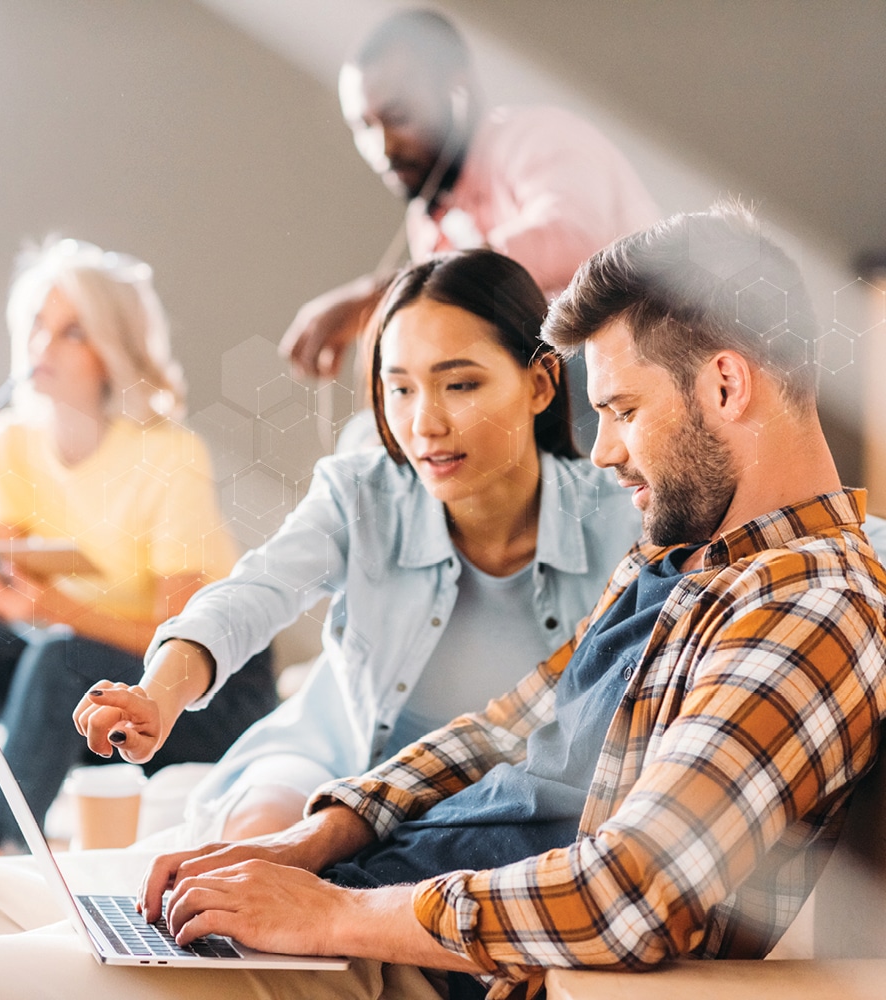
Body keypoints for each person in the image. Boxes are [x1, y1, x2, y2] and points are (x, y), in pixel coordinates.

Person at [0, 205, 886, 1000]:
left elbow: (627, 894)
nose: (608, 445)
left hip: (407, 954)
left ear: (724, 385)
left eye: (622, 410)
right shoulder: (683, 561)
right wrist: (317, 835)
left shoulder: (808, 608)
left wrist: (317, 914)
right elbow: (507, 726)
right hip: (360, 894)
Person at [77, 248, 642, 843]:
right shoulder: (361, 493)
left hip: (502, 799)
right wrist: (156, 695)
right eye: (399, 389)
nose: (425, 423)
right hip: (335, 762)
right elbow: (254, 593)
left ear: (540, 384)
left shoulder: (619, 517)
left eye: (460, 384)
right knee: (249, 853)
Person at [0, 238, 277, 913]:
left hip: (197, 691)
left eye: (72, 331)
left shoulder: (168, 455)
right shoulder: (14, 442)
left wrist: (57, 609)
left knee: (61, 656)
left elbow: (174, 630)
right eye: (39, 323)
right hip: (87, 684)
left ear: (110, 353)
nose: (46, 343)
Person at [280, 7, 658, 382]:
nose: (383, 147)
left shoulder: (539, 136)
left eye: (398, 116)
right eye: (364, 126)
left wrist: (382, 291)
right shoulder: (429, 217)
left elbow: (571, 240)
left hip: (637, 361)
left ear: (457, 92)